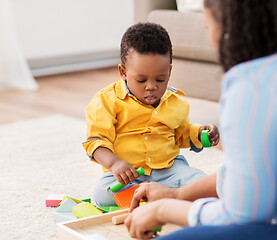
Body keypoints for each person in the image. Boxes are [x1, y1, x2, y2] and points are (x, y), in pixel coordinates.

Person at [124, 0, 277, 239]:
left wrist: (165, 210)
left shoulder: (253, 83)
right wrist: (177, 195)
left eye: (208, 25)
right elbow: (246, 176)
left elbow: (240, 217)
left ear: (230, 22)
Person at [82, 22, 220, 206]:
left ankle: (161, 195)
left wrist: (202, 135)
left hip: (170, 170)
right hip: (129, 176)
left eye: (160, 79)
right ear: (123, 72)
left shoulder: (176, 102)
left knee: (202, 182)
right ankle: (160, 196)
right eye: (141, 80)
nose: (151, 87)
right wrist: (115, 164)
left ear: (169, 72)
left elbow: (181, 134)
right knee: (102, 194)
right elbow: (95, 141)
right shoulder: (106, 101)